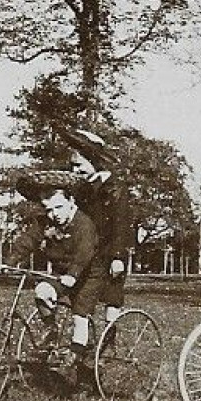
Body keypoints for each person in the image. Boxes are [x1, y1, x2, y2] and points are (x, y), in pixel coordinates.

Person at [7, 172, 101, 393]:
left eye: (58, 208)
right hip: (62, 273)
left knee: (80, 316)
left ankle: (75, 355)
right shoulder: (46, 222)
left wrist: (74, 274)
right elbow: (28, 240)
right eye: (48, 209)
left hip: (88, 275)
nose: (53, 214)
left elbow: (84, 254)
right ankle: (51, 330)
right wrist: (9, 261)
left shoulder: (84, 224)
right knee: (42, 290)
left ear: (71, 201)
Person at [61, 126, 134, 341]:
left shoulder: (114, 188)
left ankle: (107, 339)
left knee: (112, 296)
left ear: (94, 162)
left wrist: (118, 257)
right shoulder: (81, 189)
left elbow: (121, 225)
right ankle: (84, 339)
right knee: (82, 295)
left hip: (111, 251)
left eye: (79, 166)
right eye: (73, 166)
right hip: (89, 249)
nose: (75, 171)